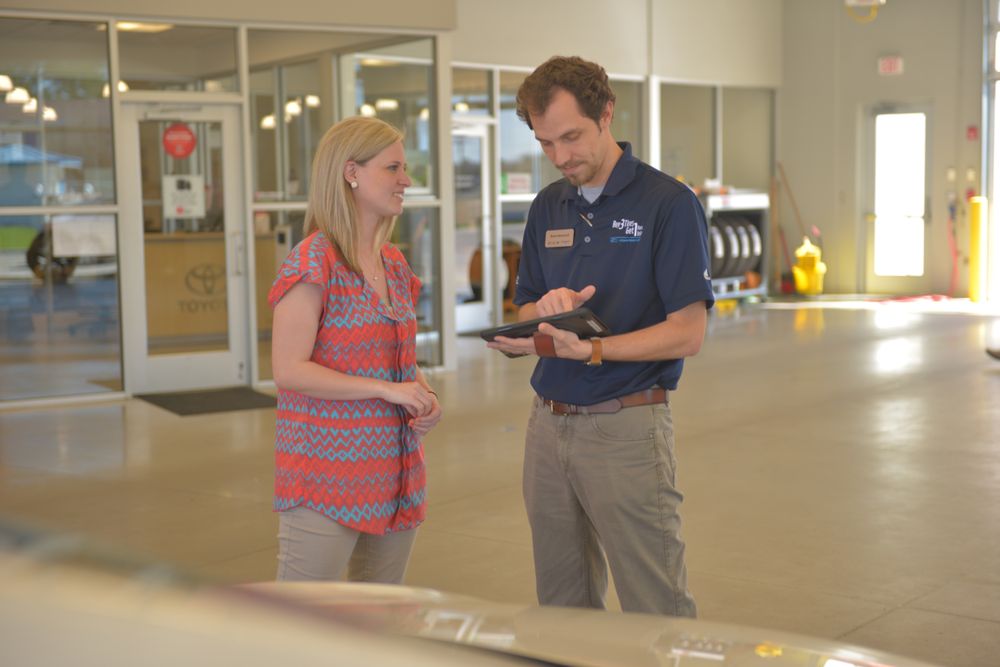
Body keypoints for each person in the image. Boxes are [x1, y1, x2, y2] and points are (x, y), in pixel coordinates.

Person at [487, 56, 714, 617]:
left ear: (606, 113)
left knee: (655, 606)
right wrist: (544, 312)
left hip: (626, 427)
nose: (561, 157)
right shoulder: (548, 206)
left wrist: (591, 350)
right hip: (547, 426)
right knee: (562, 605)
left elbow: (688, 333)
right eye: (546, 143)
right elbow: (525, 305)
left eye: (571, 137)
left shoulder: (668, 204)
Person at [269, 116, 442, 583]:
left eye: (405, 169)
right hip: (325, 477)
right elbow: (289, 370)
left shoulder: (394, 263)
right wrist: (385, 390)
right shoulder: (314, 260)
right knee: (306, 619)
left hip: (396, 473)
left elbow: (400, 361)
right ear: (351, 173)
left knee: (380, 615)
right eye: (393, 168)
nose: (406, 181)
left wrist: (424, 394)